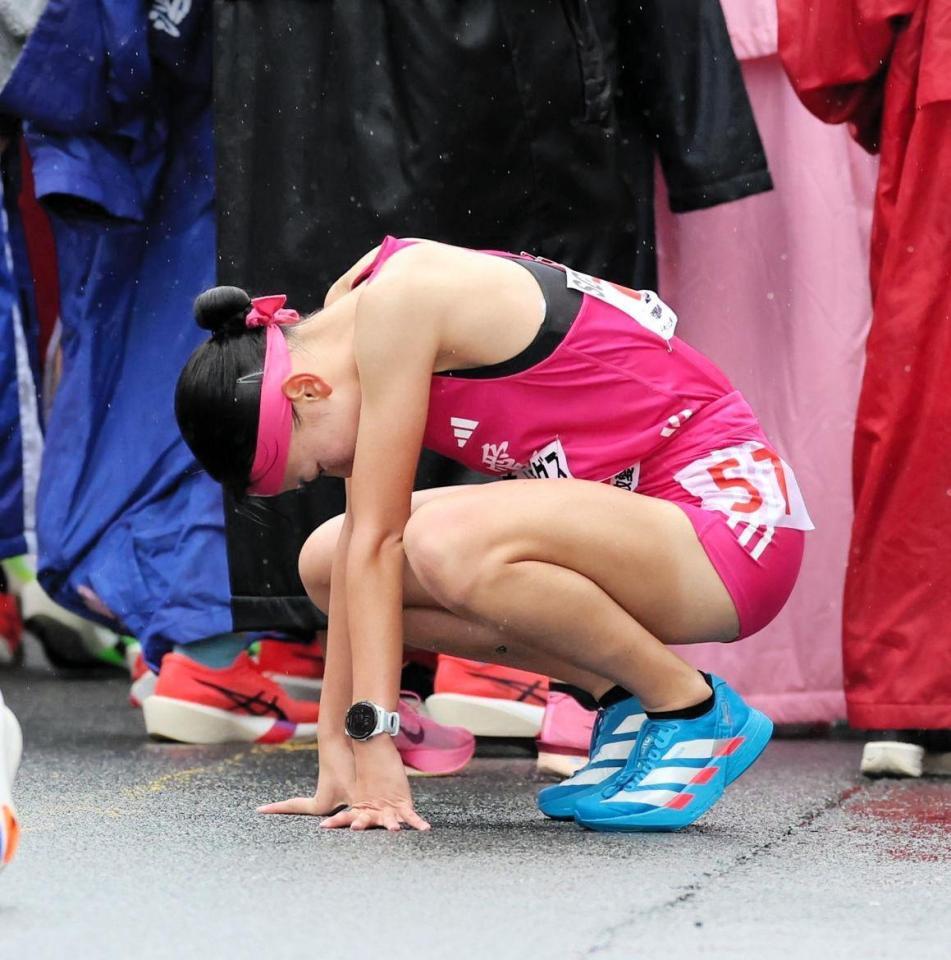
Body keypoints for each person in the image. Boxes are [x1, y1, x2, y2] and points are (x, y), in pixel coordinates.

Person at [175, 237, 813, 833]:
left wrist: (373, 741)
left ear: (306, 390)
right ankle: (625, 696)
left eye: (314, 466)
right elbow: (356, 558)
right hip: (644, 529)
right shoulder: (350, 321)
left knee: (442, 541)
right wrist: (337, 755)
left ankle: (690, 709)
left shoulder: (400, 303)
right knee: (322, 561)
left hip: (729, 530)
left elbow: (377, 539)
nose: (335, 473)